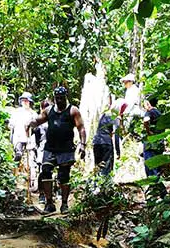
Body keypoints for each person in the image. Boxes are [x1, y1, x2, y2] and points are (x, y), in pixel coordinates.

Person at [29, 86, 86, 214]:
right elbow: (37, 120)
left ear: (66, 97)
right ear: (54, 98)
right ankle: (49, 203)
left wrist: (83, 144)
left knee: (63, 176)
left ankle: (64, 204)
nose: (59, 100)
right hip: (50, 148)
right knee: (46, 171)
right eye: (57, 98)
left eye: (61, 98)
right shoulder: (49, 111)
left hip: (66, 149)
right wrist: (30, 123)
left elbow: (81, 128)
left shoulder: (73, 110)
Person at [8, 92, 36, 172]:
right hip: (19, 137)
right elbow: (11, 124)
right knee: (18, 154)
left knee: (31, 159)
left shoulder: (33, 113)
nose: (25, 102)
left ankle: (32, 176)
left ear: (30, 102)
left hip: (30, 139)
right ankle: (15, 172)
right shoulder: (17, 112)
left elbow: (37, 126)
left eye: (27, 101)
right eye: (23, 100)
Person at [142, 95, 165, 179]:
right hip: (159, 143)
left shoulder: (149, 111)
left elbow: (146, 120)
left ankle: (155, 188)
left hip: (150, 144)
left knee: (150, 166)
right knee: (157, 166)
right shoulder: (159, 113)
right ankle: (160, 189)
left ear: (148, 103)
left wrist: (148, 131)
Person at [92, 112, 120, 176]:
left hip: (96, 142)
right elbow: (116, 135)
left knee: (98, 167)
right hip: (106, 143)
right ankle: (105, 184)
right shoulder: (116, 117)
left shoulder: (104, 115)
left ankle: (96, 184)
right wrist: (118, 151)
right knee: (106, 168)